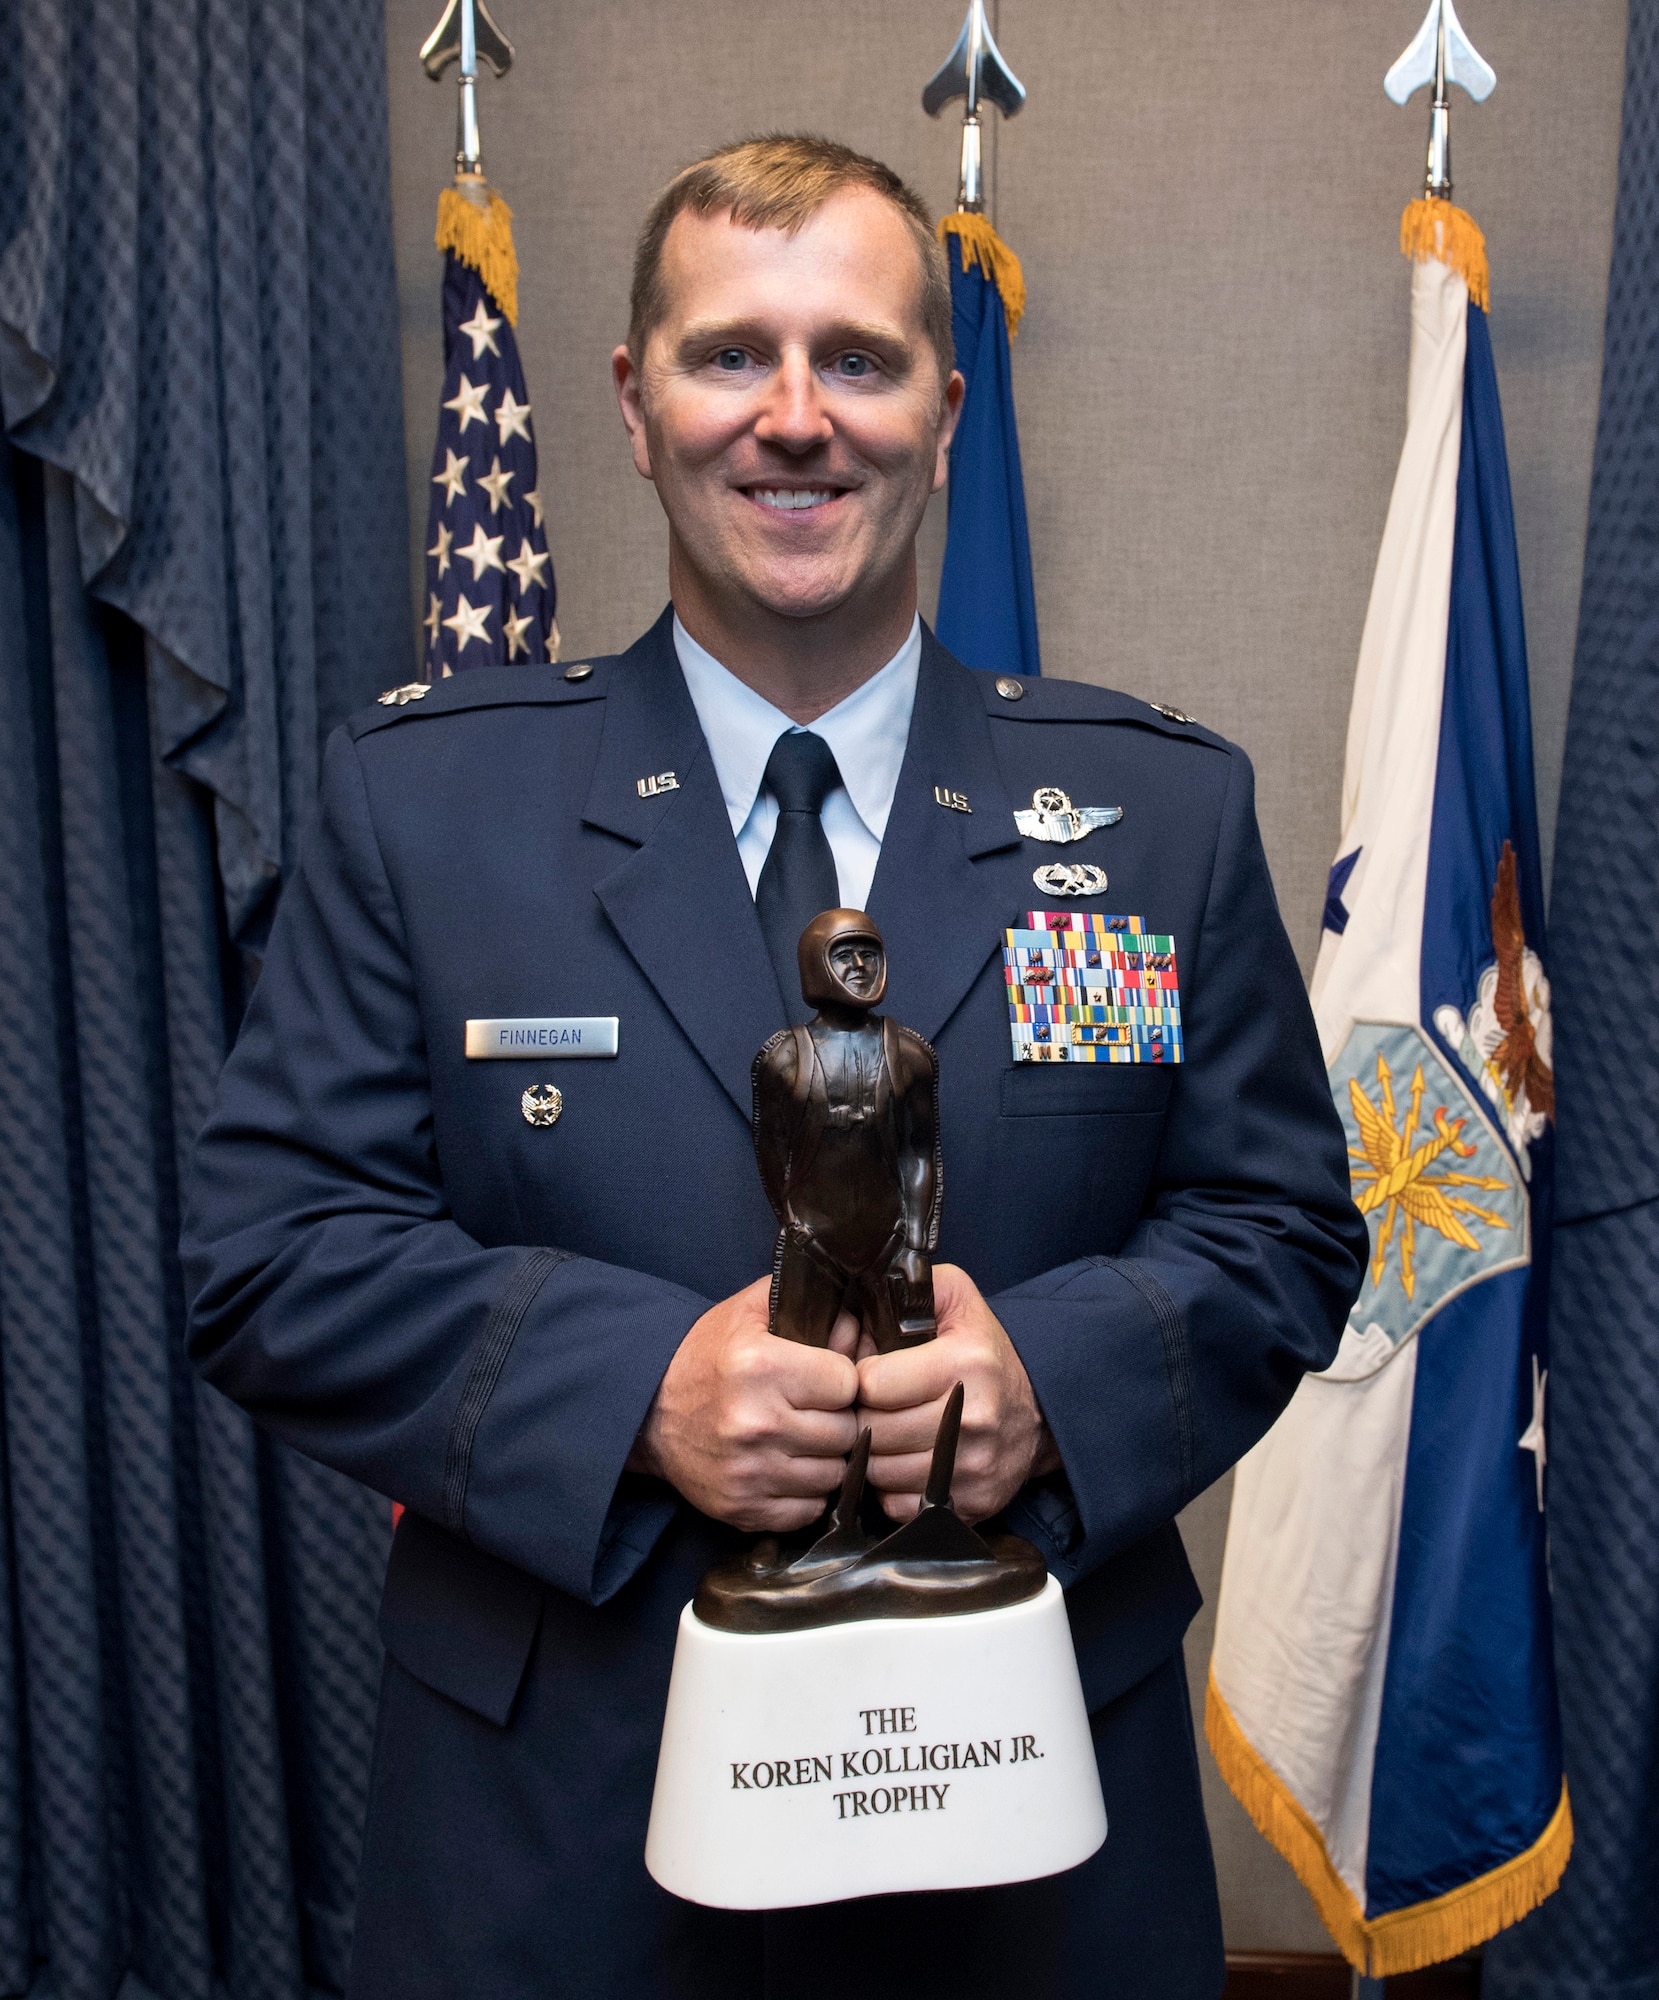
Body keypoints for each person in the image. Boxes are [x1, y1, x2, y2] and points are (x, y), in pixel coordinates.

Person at [183, 135, 1366, 1999]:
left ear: (945, 408)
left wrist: (1049, 1382)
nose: (796, 419)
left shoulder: (1157, 814)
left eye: (861, 359)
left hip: (1033, 1832)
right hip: (559, 1828)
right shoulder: (424, 808)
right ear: (635, 407)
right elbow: (267, 1255)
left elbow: (1284, 1226)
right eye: (732, 354)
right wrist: (637, 1386)